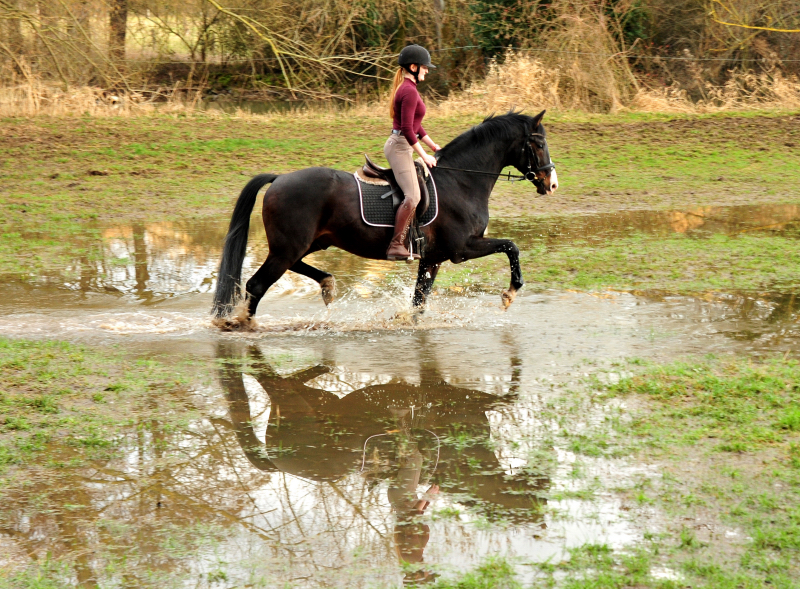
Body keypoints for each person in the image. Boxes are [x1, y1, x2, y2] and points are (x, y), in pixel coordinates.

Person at [384, 44, 441, 261]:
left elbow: (416, 126)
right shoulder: (408, 90)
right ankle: (396, 245)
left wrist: (433, 146)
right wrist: (424, 155)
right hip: (399, 146)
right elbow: (407, 129)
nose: (427, 71)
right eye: (425, 67)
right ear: (414, 67)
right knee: (413, 195)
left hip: (403, 143)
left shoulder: (410, 89)